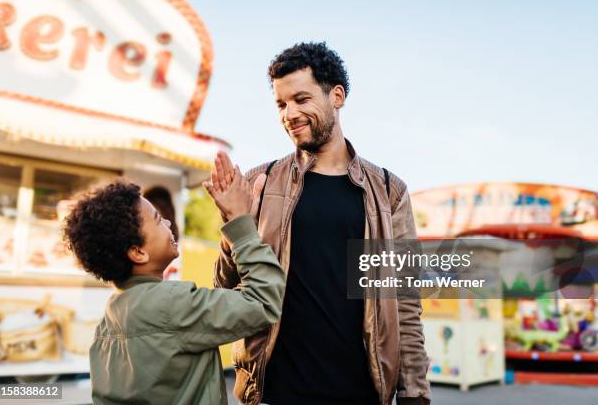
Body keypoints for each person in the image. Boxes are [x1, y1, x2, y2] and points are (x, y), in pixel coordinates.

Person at [213, 42, 431, 405]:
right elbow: (227, 289)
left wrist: (415, 396)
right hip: (275, 392)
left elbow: (405, 305)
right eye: (281, 105)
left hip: (361, 392)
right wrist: (234, 224)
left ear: (337, 96)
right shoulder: (259, 185)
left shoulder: (389, 192)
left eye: (301, 99)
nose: (290, 114)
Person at [63, 167, 283, 405]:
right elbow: (263, 301)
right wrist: (241, 224)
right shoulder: (169, 304)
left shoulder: (108, 321)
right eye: (158, 219)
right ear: (138, 252)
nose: (167, 221)